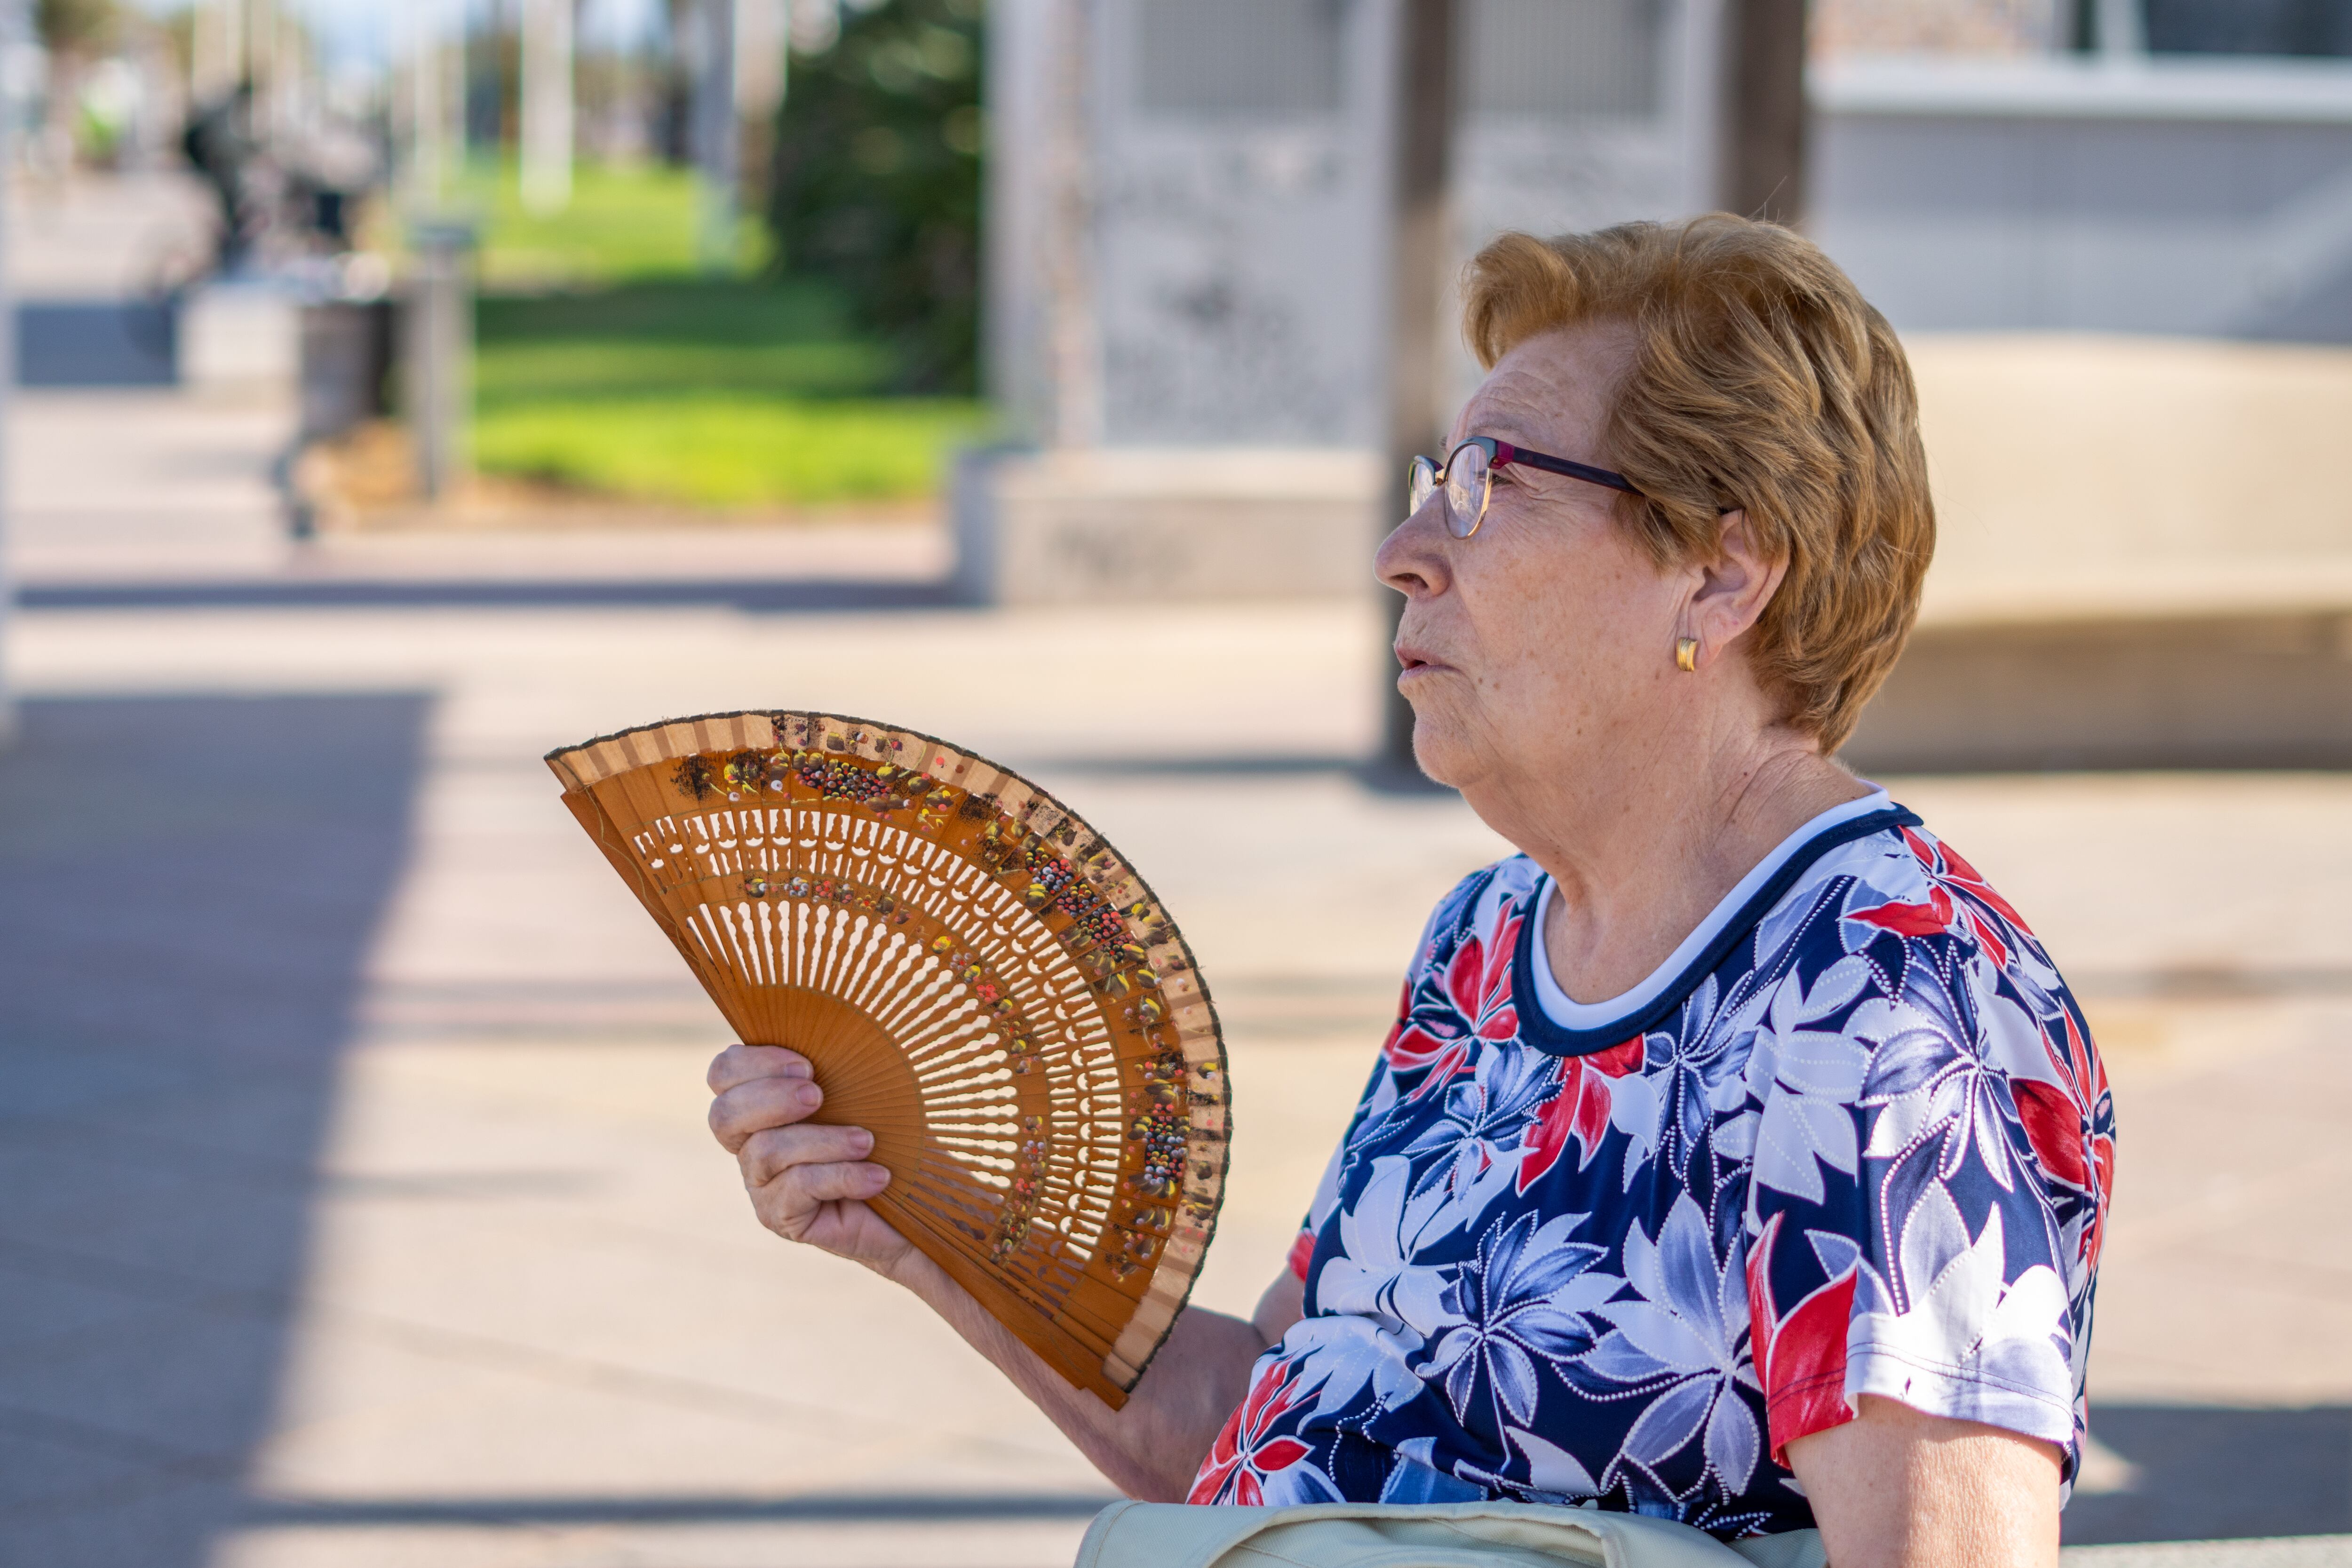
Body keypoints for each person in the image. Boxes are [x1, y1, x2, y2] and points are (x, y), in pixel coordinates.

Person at [707, 215, 2115, 1567]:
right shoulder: (1493, 942)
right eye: (1433, 481)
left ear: (1722, 570)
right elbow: (1279, 1419)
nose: (1405, 554)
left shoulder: (1887, 1007)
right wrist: (929, 1220)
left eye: (1489, 487)